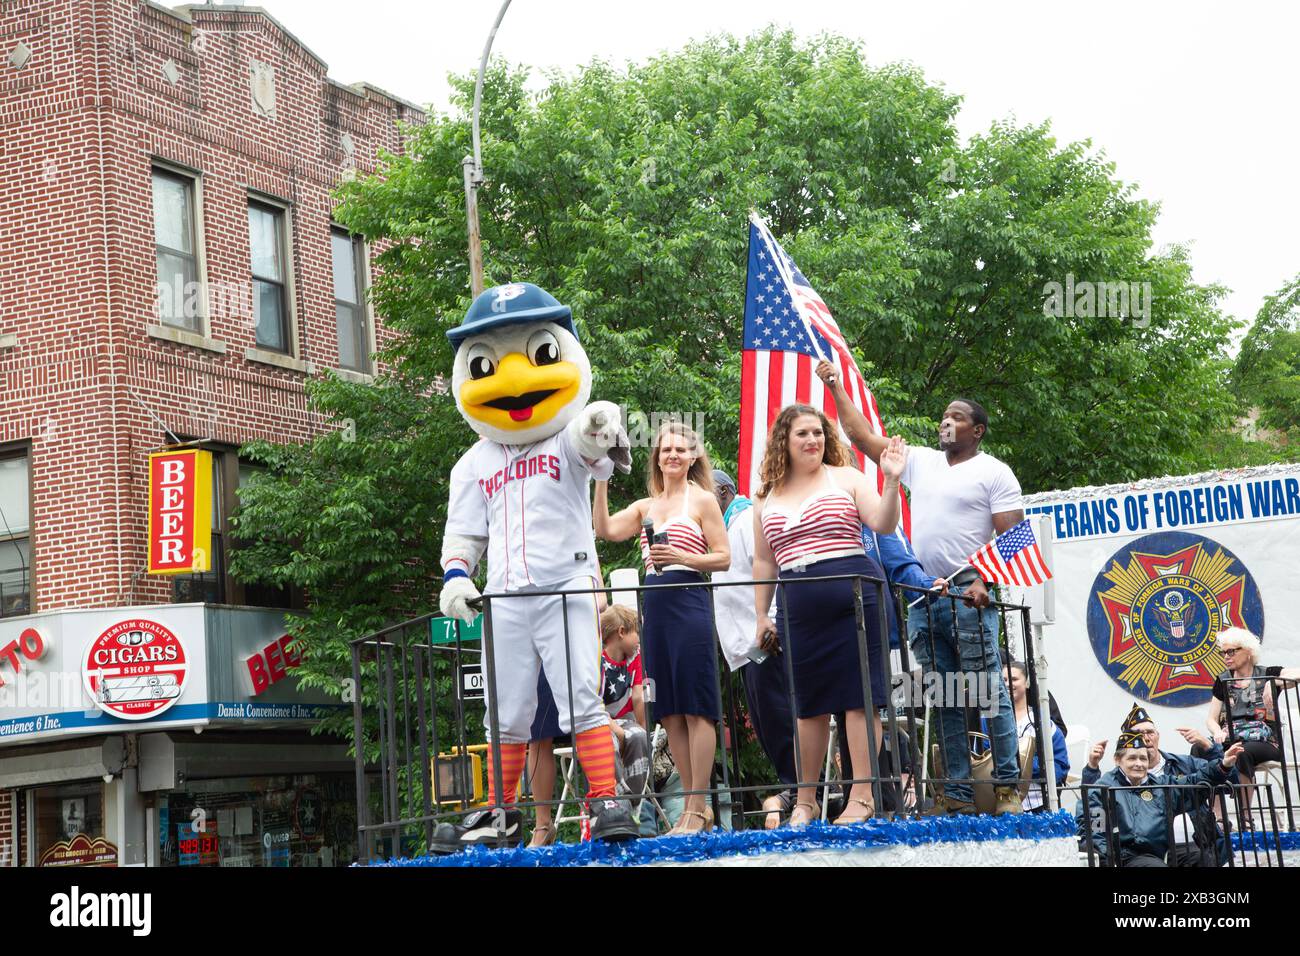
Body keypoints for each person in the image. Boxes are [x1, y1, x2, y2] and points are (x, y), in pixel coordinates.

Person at [436, 281, 637, 849]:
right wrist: (456, 576)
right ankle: (501, 814)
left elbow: (593, 440)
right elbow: (464, 532)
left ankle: (606, 800)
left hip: (565, 584)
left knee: (580, 695)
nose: (517, 379)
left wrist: (600, 423)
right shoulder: (473, 461)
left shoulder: (564, 438)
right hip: (503, 594)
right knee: (507, 708)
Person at [817, 359, 1024, 816]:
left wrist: (987, 581)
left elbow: (1014, 537)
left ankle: (1009, 788)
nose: (945, 422)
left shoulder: (994, 471)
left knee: (987, 691)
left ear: (978, 430)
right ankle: (957, 794)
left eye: (957, 417)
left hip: (971, 592)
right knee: (946, 696)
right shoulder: (922, 462)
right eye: (944, 416)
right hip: (925, 595)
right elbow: (861, 436)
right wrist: (834, 387)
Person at [752, 403, 907, 826]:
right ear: (784, 440)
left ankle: (861, 796)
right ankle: (806, 800)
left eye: (819, 433)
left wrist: (891, 481)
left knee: (860, 701)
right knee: (807, 706)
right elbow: (764, 563)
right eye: (803, 433)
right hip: (797, 605)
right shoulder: (766, 495)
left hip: (856, 596)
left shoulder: (848, 478)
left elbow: (883, 523)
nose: (813, 440)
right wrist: (761, 615)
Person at [593, 423, 730, 835]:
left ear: (692, 457)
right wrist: (600, 479)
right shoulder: (644, 506)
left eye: (680, 449)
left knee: (696, 705)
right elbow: (605, 529)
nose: (672, 455)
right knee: (669, 711)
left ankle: (697, 805)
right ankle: (690, 810)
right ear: (656, 456)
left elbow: (723, 558)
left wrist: (684, 558)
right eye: (665, 448)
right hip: (656, 607)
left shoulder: (704, 500)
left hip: (689, 602)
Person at [711, 469, 796, 828]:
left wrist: (771, 620)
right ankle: (793, 784)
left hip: (764, 639)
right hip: (746, 647)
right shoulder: (723, 530)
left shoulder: (746, 521)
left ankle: (799, 786)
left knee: (779, 715)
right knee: (765, 721)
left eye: (706, 492)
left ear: (726, 492)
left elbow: (768, 569)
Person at [1084, 704, 1226, 865]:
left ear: (1158, 735)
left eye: (1150, 732)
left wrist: (1211, 750)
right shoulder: (1112, 784)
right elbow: (1092, 810)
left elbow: (1223, 776)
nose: (1146, 738)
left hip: (1196, 845)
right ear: (1119, 758)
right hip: (1138, 856)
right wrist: (1092, 768)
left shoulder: (1177, 769)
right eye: (1138, 734)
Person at [1204, 626, 1300, 828]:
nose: (1226, 657)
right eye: (1223, 653)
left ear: (1248, 651)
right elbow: (1211, 719)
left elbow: (1297, 674)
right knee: (1202, 749)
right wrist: (1216, 732)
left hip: (1265, 742)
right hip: (1231, 737)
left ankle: (1246, 818)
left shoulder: (1267, 673)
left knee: (1242, 751)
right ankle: (1218, 819)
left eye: (1231, 651)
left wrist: (1274, 681)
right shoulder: (1223, 680)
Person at [599, 604, 651, 814]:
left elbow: (638, 696)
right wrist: (617, 730)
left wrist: (643, 728)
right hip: (599, 720)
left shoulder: (634, 657)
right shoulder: (597, 659)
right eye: (636, 632)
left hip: (625, 719)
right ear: (621, 632)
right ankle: (616, 799)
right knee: (608, 742)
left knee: (638, 737)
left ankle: (634, 803)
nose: (639, 638)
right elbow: (594, 703)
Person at [1000, 661, 1068, 811]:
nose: (1007, 684)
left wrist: (1021, 766)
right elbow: (985, 759)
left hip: (1038, 803)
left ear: (1027, 683)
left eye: (1014, 679)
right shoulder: (991, 721)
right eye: (1003, 680)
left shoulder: (1044, 722)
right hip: (1000, 804)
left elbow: (1059, 765)